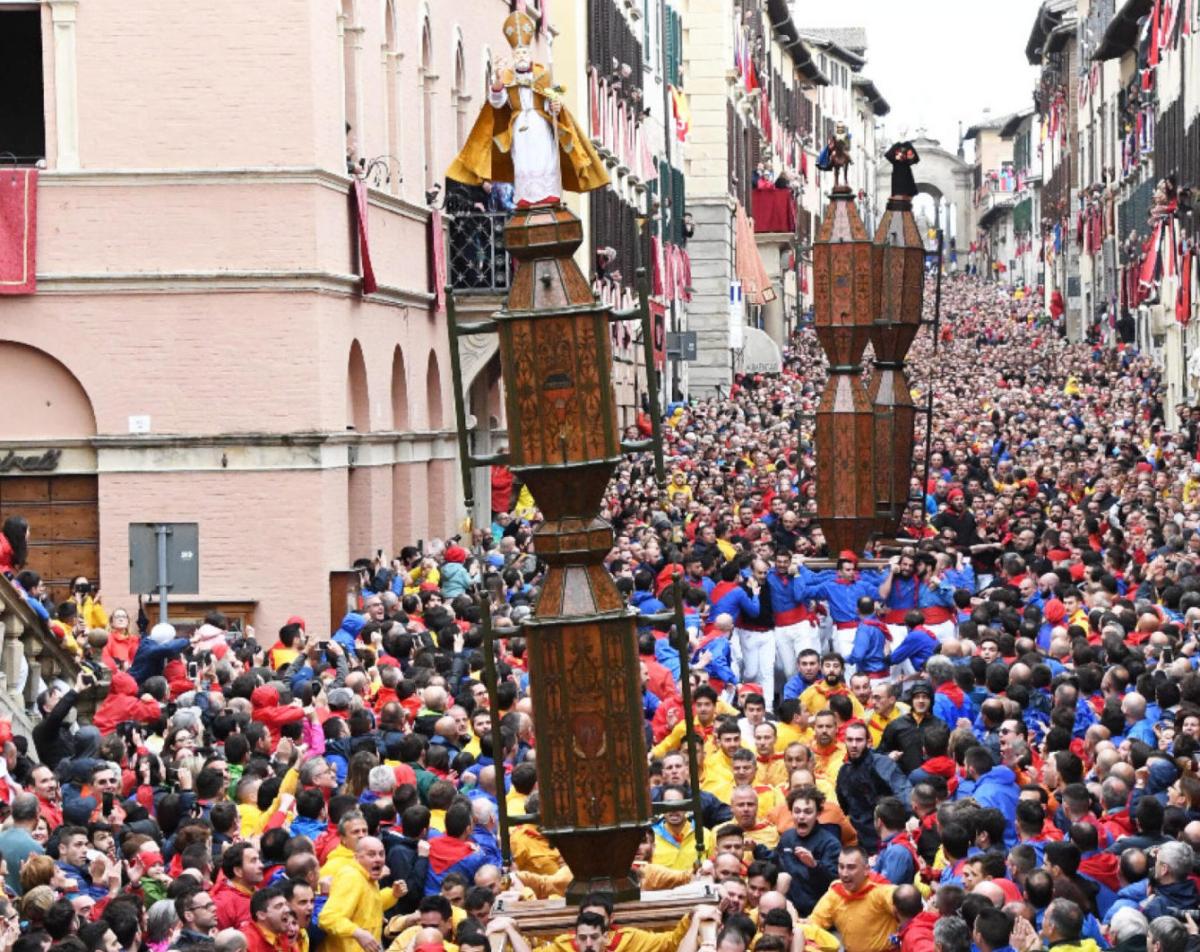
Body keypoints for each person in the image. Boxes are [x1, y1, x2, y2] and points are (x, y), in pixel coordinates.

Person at [319, 837, 406, 952]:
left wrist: (393, 894)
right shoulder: (351, 877)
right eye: (371, 855)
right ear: (356, 858)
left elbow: (368, 905)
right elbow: (328, 917)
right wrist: (358, 933)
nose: (378, 859)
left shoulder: (368, 877)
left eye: (381, 854)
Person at [835, 722, 911, 852]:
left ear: (868, 742)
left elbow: (904, 794)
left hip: (888, 838)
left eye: (859, 740)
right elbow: (845, 807)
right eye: (850, 740)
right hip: (861, 841)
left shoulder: (882, 764)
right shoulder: (843, 772)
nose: (854, 745)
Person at [810, 846, 898, 952]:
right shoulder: (835, 893)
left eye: (851, 867)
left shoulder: (881, 890)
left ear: (866, 870)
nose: (844, 874)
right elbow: (813, 924)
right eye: (841, 867)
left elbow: (907, 907)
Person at [773, 786, 840, 915]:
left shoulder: (830, 843)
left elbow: (835, 884)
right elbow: (775, 864)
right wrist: (757, 850)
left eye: (808, 812)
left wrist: (814, 865)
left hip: (818, 913)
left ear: (818, 814)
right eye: (797, 811)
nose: (801, 816)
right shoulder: (786, 837)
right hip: (788, 911)